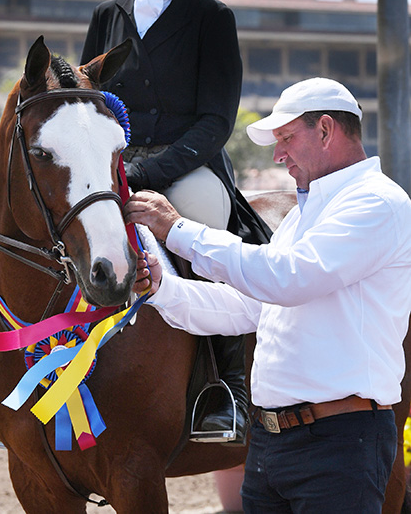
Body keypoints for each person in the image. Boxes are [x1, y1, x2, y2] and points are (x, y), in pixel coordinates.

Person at [125, 77, 411, 513]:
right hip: (274, 445)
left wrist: (178, 231)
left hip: (341, 445)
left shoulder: (378, 203)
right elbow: (248, 307)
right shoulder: (304, 215)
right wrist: (163, 289)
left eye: (286, 138)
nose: (278, 154)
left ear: (327, 129)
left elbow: (286, 278)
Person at [81, 0, 271, 444]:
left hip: (187, 165)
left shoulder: (213, 18)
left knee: (205, 239)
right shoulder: (106, 15)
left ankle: (228, 390)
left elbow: (216, 121)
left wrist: (145, 174)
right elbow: (90, 101)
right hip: (115, 160)